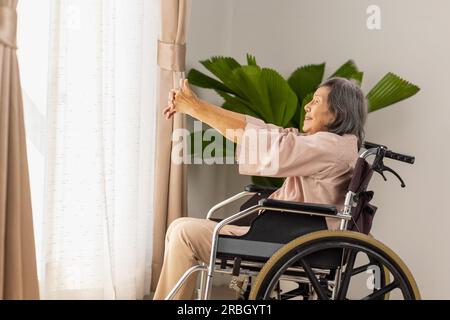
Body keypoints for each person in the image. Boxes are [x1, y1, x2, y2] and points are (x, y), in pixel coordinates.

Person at [153, 77, 367, 300]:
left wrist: (196, 109)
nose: (307, 106)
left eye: (316, 101)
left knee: (183, 232)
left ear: (337, 113)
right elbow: (262, 132)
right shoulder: (333, 145)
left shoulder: (328, 147)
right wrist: (198, 107)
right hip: (293, 235)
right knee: (181, 229)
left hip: (290, 240)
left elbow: (263, 142)